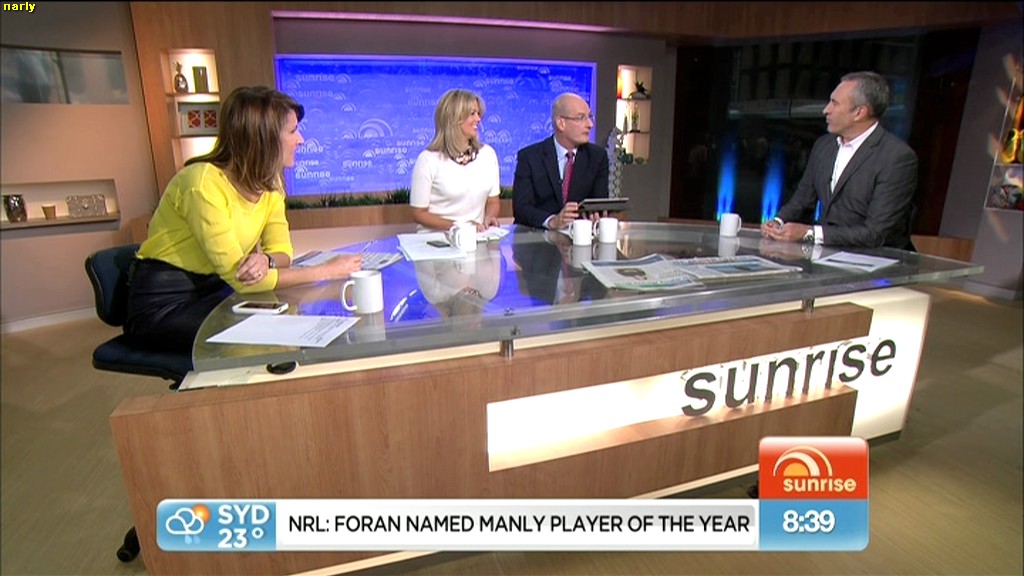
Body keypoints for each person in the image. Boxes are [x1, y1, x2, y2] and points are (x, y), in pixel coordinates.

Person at [125, 86, 362, 354]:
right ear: (263, 138)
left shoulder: (270, 186)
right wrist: (327, 271)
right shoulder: (202, 183)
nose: (301, 140)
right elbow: (244, 281)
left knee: (291, 320)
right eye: (293, 131)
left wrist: (266, 260)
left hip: (220, 293)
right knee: (269, 334)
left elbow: (283, 253)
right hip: (166, 305)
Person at [761, 71, 917, 249]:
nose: (826, 110)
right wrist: (778, 222)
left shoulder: (897, 157)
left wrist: (810, 233)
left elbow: (875, 233)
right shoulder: (824, 145)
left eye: (834, 103)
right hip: (828, 254)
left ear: (859, 112)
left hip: (877, 258)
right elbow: (802, 200)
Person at [512, 92, 609, 230]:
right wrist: (552, 221)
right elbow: (521, 209)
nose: (590, 124)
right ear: (561, 123)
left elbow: (599, 204)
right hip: (537, 238)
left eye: (590, 117)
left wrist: (595, 216)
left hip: (579, 236)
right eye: (581, 118)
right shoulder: (529, 157)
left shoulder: (597, 157)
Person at [410, 89, 501, 232]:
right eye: (472, 113)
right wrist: (459, 226)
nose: (478, 119)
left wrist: (489, 217)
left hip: (475, 238)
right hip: (436, 240)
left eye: (478, 113)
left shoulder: (487, 155)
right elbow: (419, 213)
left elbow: (493, 201)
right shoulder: (428, 160)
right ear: (454, 118)